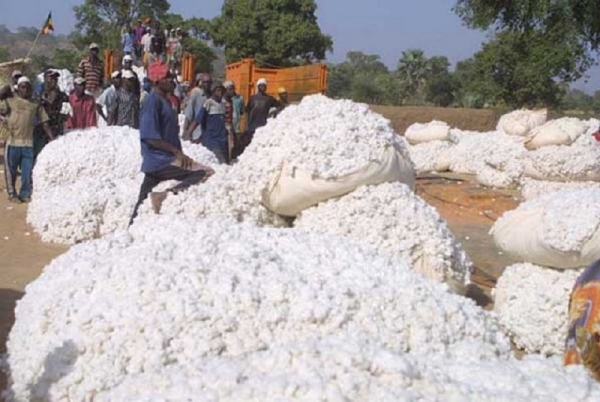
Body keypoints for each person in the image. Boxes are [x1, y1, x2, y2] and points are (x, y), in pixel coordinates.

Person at [129, 61, 214, 224]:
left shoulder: (165, 101)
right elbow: (150, 136)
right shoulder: (152, 102)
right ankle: (164, 195)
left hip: (158, 162)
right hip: (162, 160)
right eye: (167, 77)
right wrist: (177, 153)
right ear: (157, 81)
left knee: (142, 200)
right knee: (204, 172)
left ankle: (131, 228)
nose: (171, 80)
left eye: (171, 76)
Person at [0, 76, 54, 203]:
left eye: (28, 87)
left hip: (28, 143)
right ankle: (12, 194)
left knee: (27, 171)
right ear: (18, 88)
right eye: (23, 87)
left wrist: (52, 139)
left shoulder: (34, 104)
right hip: (12, 142)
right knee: (11, 171)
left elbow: (44, 122)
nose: (25, 89)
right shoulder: (10, 101)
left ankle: (25, 193)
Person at [185, 83, 230, 164]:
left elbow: (226, 121)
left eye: (221, 91)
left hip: (223, 140)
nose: (220, 93)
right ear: (213, 92)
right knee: (221, 163)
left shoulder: (223, 104)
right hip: (212, 140)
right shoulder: (208, 103)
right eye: (218, 90)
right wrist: (189, 133)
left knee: (226, 163)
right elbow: (197, 120)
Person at [34, 70, 68, 159]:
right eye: (51, 78)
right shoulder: (38, 94)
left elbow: (67, 109)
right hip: (40, 131)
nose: (54, 80)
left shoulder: (61, 95)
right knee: (39, 155)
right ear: (45, 79)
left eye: (55, 78)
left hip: (56, 129)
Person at [183, 73, 212, 141]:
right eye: (205, 82)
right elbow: (189, 113)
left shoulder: (212, 96)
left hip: (208, 133)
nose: (207, 84)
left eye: (209, 82)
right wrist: (185, 131)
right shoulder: (196, 94)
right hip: (196, 133)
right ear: (201, 83)